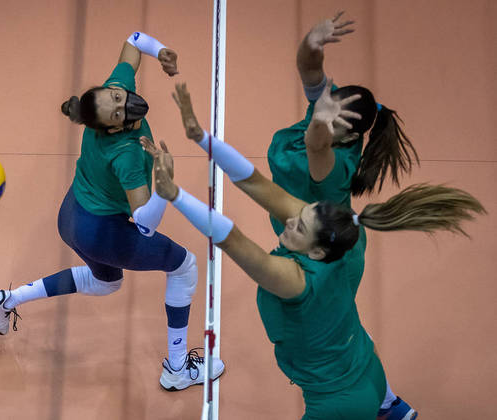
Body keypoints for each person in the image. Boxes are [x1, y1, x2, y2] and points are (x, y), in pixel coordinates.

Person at [140, 84, 484, 419]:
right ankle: (390, 407)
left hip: (337, 404)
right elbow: (253, 180)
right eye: (298, 215)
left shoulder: (295, 280)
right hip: (366, 370)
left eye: (298, 227)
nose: (288, 223)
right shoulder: (336, 240)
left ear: (317, 253)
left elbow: (232, 239)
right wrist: (200, 136)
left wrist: (175, 195)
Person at [0, 31, 224, 391]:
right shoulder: (126, 154)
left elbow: (133, 40)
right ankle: (176, 368)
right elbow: (144, 226)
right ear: (112, 126)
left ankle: (4, 300)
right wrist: (163, 185)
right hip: (101, 229)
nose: (125, 103)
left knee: (106, 282)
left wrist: (161, 52)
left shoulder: (109, 93)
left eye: (119, 97)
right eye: (120, 111)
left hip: (73, 215)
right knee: (184, 266)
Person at [270, 12, 420, 418]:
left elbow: (316, 143)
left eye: (331, 117)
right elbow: (307, 67)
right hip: (319, 234)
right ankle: (391, 405)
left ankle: (382, 403)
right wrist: (312, 42)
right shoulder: (328, 111)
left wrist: (320, 116)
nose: (323, 113)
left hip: (328, 246)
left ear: (350, 137)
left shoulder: (332, 166)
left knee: (333, 327)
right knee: (339, 325)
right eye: (326, 108)